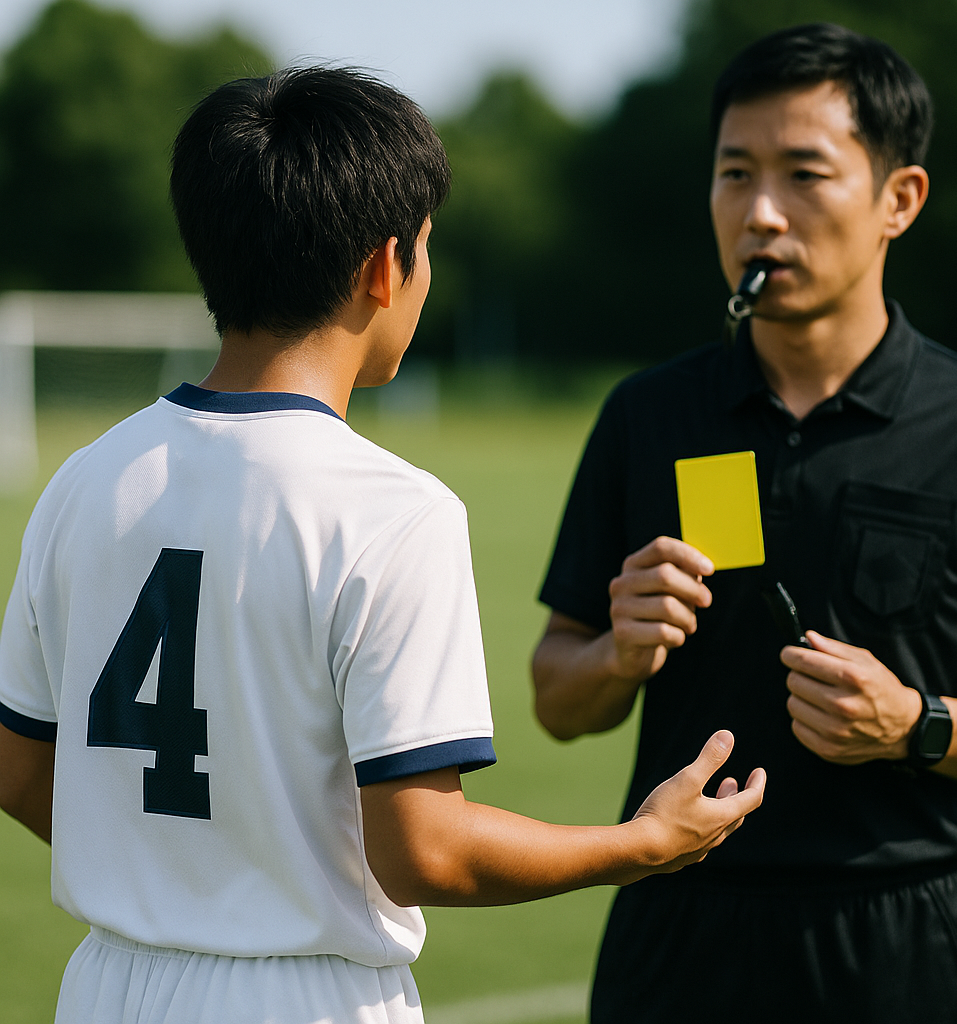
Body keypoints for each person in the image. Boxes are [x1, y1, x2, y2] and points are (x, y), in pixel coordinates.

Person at [0, 67, 765, 1024]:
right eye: (427, 249)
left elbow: (20, 768)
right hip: (305, 1000)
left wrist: (172, 875)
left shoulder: (81, 481)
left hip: (104, 986)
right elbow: (425, 851)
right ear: (382, 266)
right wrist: (643, 843)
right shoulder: (395, 511)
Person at [533, 22, 957, 1024]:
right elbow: (556, 694)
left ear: (900, 199)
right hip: (671, 928)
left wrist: (915, 724)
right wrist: (617, 656)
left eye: (804, 174)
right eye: (733, 175)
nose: (760, 214)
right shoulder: (649, 414)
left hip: (896, 944)